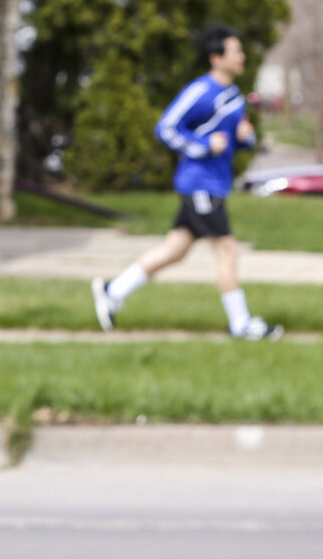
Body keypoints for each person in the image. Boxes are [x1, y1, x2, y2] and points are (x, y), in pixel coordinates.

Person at [91, 23, 282, 340]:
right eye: (236, 51)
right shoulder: (200, 91)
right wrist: (204, 146)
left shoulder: (233, 96)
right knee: (228, 250)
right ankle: (242, 324)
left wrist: (246, 139)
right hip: (199, 184)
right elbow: (166, 127)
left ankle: (113, 290)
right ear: (216, 58)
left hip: (215, 183)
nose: (242, 56)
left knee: (175, 250)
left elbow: (235, 138)